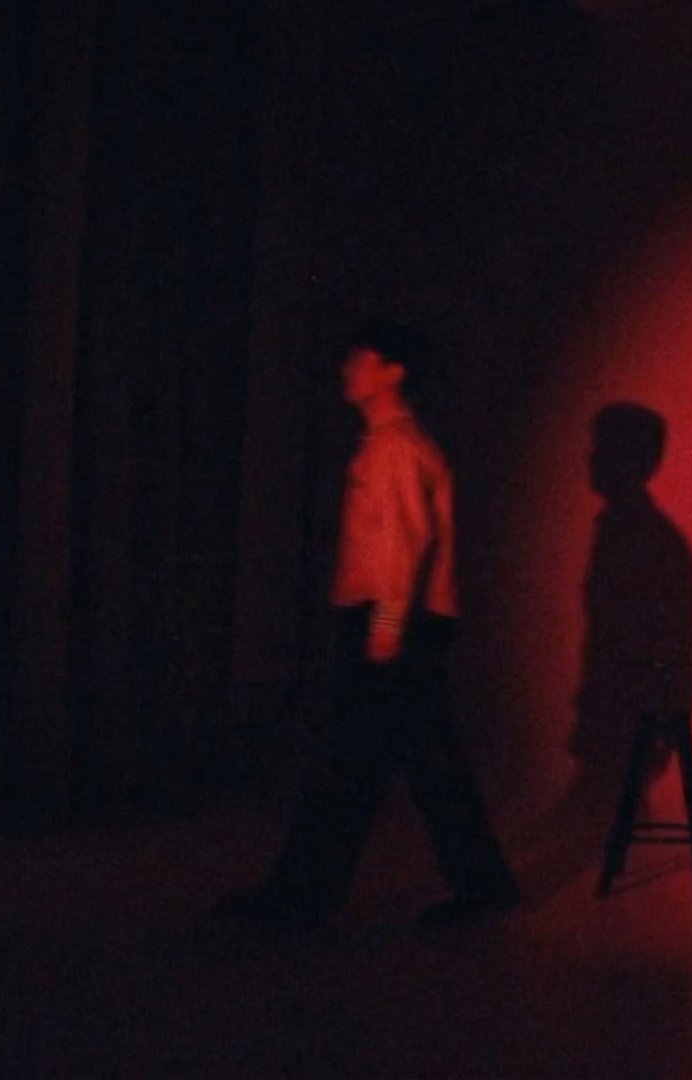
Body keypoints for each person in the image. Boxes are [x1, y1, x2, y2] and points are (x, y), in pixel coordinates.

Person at [216, 320, 519, 930]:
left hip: (390, 629)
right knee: (416, 764)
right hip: (402, 628)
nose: (346, 370)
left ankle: (301, 898)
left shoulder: (395, 450)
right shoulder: (395, 445)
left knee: (354, 764)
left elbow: (403, 549)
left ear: (393, 371)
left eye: (361, 360)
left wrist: (382, 632)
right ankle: (473, 885)